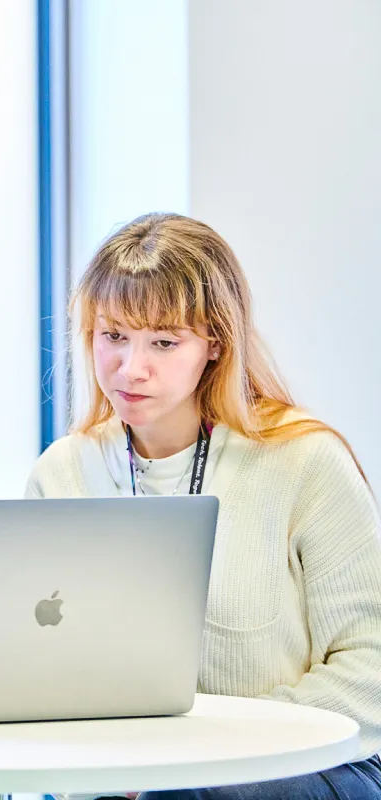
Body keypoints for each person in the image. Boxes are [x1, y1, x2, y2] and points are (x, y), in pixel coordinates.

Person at [29, 213, 381, 800]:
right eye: (113, 336)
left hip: (308, 764)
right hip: (128, 778)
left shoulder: (303, 460)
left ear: (214, 345)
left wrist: (207, 751)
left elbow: (371, 669)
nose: (130, 368)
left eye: (164, 342)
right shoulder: (62, 472)